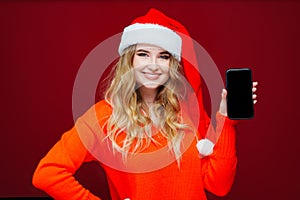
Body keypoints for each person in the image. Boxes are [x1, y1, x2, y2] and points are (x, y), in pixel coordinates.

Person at [32, 8, 258, 200]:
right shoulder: (103, 117)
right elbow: (47, 173)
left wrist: (226, 121)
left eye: (163, 56)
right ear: (129, 60)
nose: (154, 65)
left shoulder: (188, 112)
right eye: (143, 54)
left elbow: (219, 186)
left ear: (172, 65)